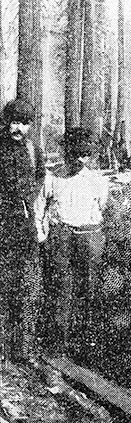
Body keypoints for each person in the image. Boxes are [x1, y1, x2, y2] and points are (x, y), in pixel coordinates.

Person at [35, 128, 111, 354]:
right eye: (76, 153)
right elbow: (39, 211)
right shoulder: (52, 177)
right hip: (61, 237)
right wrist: (41, 235)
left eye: (85, 154)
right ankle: (57, 342)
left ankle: (87, 341)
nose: (80, 159)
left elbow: (103, 210)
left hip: (89, 237)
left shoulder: (97, 181)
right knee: (61, 288)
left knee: (88, 288)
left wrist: (97, 237)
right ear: (66, 151)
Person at [0, 99, 45, 362]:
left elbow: (40, 176)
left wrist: (28, 197)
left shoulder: (32, 148)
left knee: (25, 286)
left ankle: (22, 347)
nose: (18, 128)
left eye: (24, 123)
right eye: (14, 121)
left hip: (24, 225)